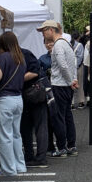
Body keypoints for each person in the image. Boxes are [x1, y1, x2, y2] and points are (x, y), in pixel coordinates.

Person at [38, 20, 78, 158]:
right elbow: (72, 64)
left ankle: (61, 147)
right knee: (67, 116)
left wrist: (69, 81)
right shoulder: (66, 44)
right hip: (66, 85)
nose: (43, 33)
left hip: (60, 85)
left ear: (51, 30)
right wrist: (73, 80)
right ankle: (71, 145)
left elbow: (62, 65)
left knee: (59, 117)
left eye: (44, 30)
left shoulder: (58, 45)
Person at [0, 32, 26, 176]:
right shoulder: (20, 58)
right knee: (16, 134)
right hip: (18, 99)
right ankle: (20, 166)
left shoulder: (3, 57)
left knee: (4, 136)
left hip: (5, 100)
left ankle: (9, 169)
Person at [20, 40, 49, 170]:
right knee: (36, 126)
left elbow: (35, 72)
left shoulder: (23, 54)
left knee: (31, 127)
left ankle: (35, 157)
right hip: (33, 94)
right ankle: (35, 156)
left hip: (31, 94)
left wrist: (17, 78)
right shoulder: (25, 53)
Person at [72, 34, 87, 110]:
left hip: (70, 67)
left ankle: (72, 103)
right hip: (79, 67)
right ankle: (81, 102)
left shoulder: (69, 43)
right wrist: (77, 66)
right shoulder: (80, 45)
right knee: (80, 84)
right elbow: (81, 56)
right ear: (78, 37)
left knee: (71, 84)